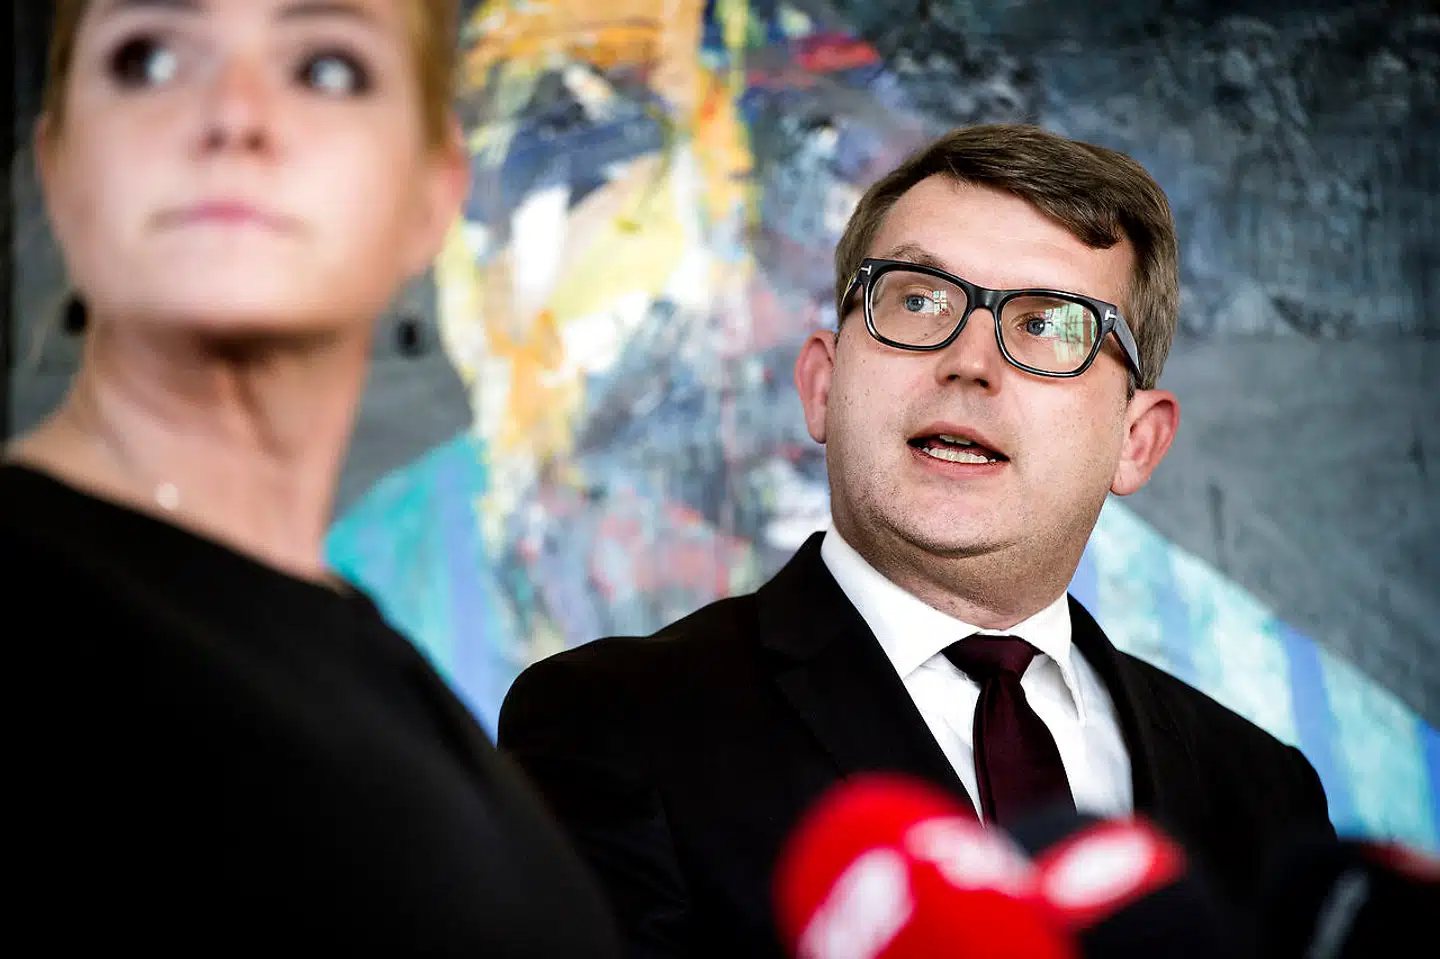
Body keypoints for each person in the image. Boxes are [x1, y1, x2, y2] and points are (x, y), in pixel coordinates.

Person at [497, 123, 1336, 957]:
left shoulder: (1266, 792)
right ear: (823, 385)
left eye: (1049, 324)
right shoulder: (611, 723)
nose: (970, 361)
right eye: (918, 301)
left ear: (1137, 441)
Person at [5, 1, 619, 953]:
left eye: (327, 68)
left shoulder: (382, 676)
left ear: (431, 193)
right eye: (150, 57)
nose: (234, 114)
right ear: (59, 169)